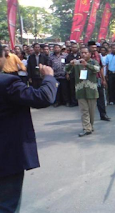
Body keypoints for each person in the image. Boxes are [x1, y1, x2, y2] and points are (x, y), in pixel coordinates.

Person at [0, 44, 58, 213]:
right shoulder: (7, 83)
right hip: (7, 154)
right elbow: (43, 98)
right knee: (7, 204)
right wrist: (49, 78)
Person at [66, 47, 100, 137]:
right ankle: (86, 128)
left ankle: (90, 126)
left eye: (85, 53)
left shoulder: (93, 62)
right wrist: (70, 64)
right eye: (82, 53)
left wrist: (87, 65)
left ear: (89, 54)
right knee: (84, 110)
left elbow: (97, 69)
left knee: (91, 111)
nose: (83, 54)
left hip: (91, 91)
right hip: (80, 90)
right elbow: (66, 70)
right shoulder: (77, 63)